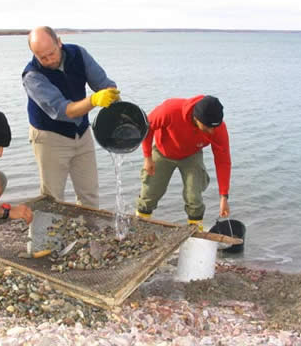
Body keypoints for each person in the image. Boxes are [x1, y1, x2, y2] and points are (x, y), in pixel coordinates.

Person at [22, 26, 120, 208]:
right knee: (51, 199)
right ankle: (41, 237)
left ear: (59, 42)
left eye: (51, 53)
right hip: (49, 138)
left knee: (89, 194)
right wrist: (94, 100)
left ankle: (89, 234)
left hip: (82, 133)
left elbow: (103, 83)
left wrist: (114, 100)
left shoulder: (78, 54)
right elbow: (64, 110)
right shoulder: (32, 76)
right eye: (42, 57)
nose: (49, 60)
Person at [135, 95, 231, 230]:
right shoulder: (170, 110)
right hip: (164, 152)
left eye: (214, 127)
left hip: (192, 154)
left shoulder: (217, 128)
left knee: (194, 196)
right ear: (196, 119)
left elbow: (223, 161)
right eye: (208, 127)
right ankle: (140, 224)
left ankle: (195, 230)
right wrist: (147, 157)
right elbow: (147, 127)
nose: (212, 131)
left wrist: (224, 196)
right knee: (150, 191)